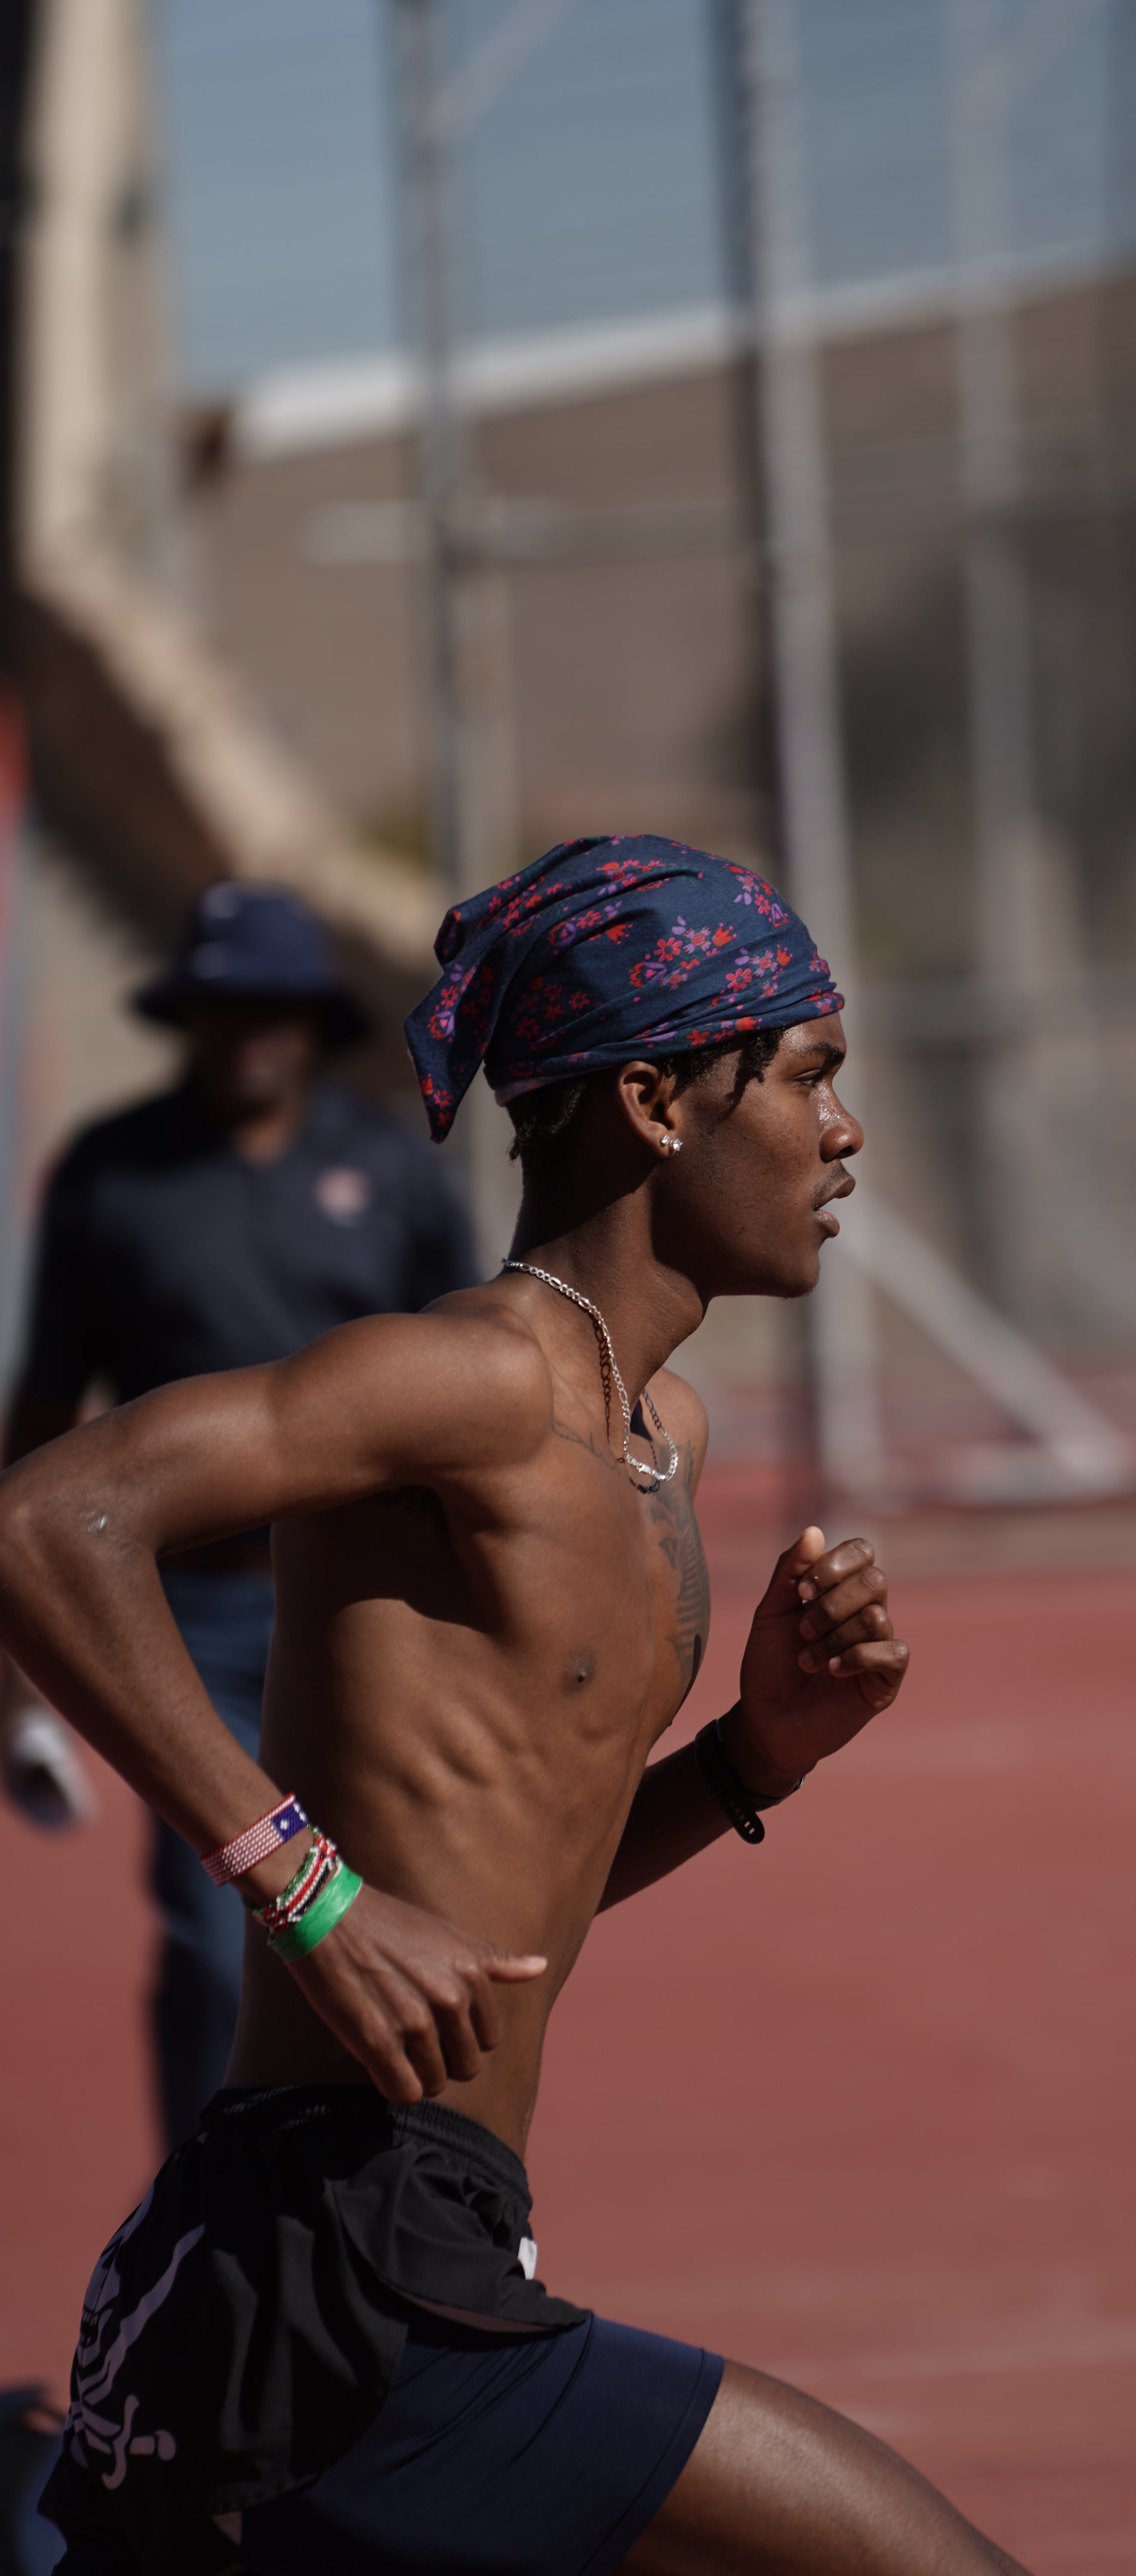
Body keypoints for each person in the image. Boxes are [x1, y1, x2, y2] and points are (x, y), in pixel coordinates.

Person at [0, 833, 1030, 2576]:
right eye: (806, 1076)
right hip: (347, 2263)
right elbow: (46, 1520)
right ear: (654, 1102)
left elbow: (511, 1898)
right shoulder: (465, 1379)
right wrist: (298, 1881)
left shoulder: (663, 1437)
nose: (845, 1132)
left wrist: (751, 1758)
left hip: (414, 2245)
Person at [0, 881, 476, 2149]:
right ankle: (205, 2205)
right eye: (218, 1006)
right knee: (227, 1934)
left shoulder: (392, 1169)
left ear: (311, 1019)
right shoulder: (110, 1174)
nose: (243, 1030)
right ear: (187, 1018)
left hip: (372, 1613)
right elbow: (44, 1412)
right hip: (189, 1618)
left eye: (267, 1005)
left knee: (407, 1913)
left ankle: (399, 2202)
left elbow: (476, 1386)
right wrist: (16, 1669)